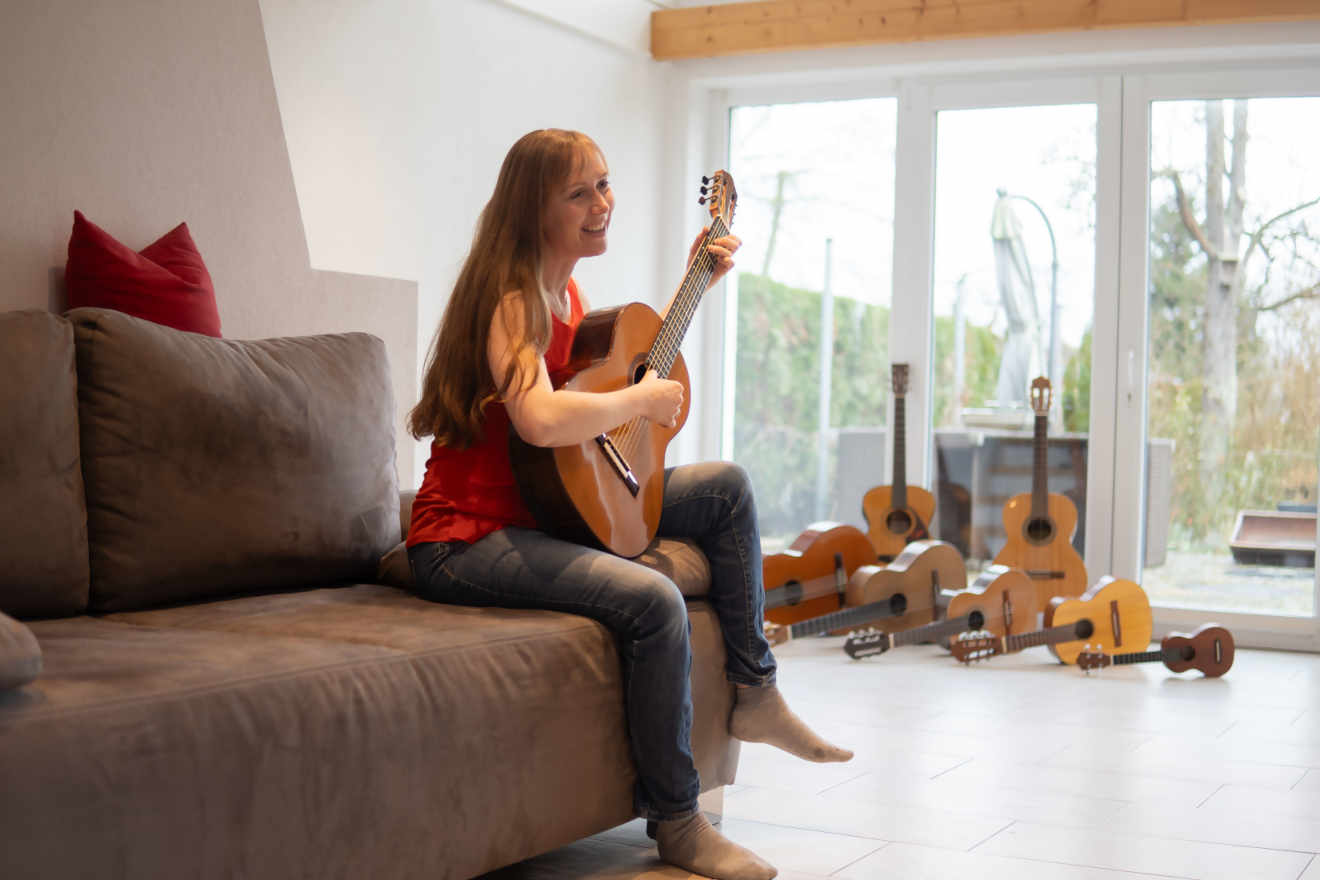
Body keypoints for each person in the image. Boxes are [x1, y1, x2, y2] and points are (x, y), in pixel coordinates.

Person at [405, 129, 852, 880]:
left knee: (726, 488)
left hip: (543, 511)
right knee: (654, 601)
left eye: (605, 185)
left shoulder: (568, 293)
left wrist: (691, 292)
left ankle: (757, 691)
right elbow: (542, 420)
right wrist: (641, 397)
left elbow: (587, 410)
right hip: (465, 538)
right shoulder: (511, 301)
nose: (601, 204)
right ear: (532, 207)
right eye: (578, 192)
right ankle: (679, 823)